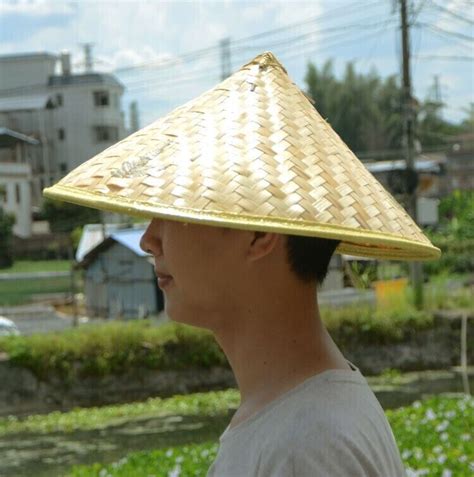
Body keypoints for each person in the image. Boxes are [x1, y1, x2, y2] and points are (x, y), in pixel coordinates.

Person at [44, 52, 440, 476]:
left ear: (258, 232)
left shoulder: (306, 446)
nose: (148, 239)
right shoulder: (298, 421)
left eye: (177, 212)